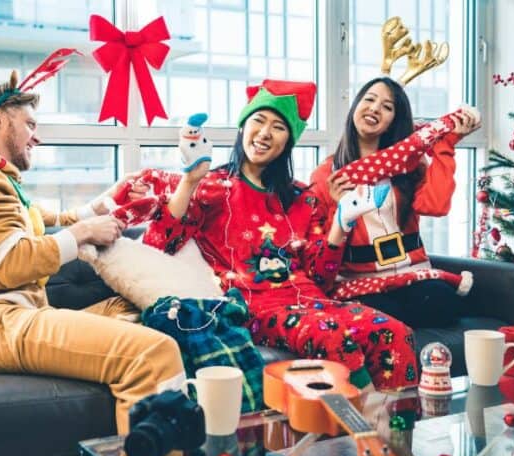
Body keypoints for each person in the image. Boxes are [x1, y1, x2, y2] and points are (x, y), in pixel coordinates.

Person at [0, 71, 185, 456]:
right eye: (29, 124)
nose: (36, 137)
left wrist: (96, 208)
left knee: (130, 308)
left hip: (6, 318)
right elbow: (10, 262)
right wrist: (84, 229)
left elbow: (39, 219)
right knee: (152, 355)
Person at [139, 79, 421, 391]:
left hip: (312, 300)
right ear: (243, 127)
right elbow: (158, 242)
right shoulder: (212, 188)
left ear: (288, 141)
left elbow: (321, 277)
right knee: (332, 336)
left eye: (278, 127)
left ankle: (401, 430)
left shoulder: (303, 197)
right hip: (255, 305)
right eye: (258, 121)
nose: (264, 133)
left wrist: (342, 222)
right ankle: (367, 425)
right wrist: (190, 179)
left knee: (396, 332)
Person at [311, 77, 481, 328]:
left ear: (394, 121)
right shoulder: (327, 174)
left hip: (413, 275)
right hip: (360, 282)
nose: (375, 108)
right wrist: (340, 208)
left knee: (443, 302)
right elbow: (324, 250)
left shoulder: (410, 166)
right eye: (369, 99)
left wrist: (446, 146)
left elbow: (435, 206)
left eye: (387, 107)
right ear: (355, 107)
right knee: (380, 316)